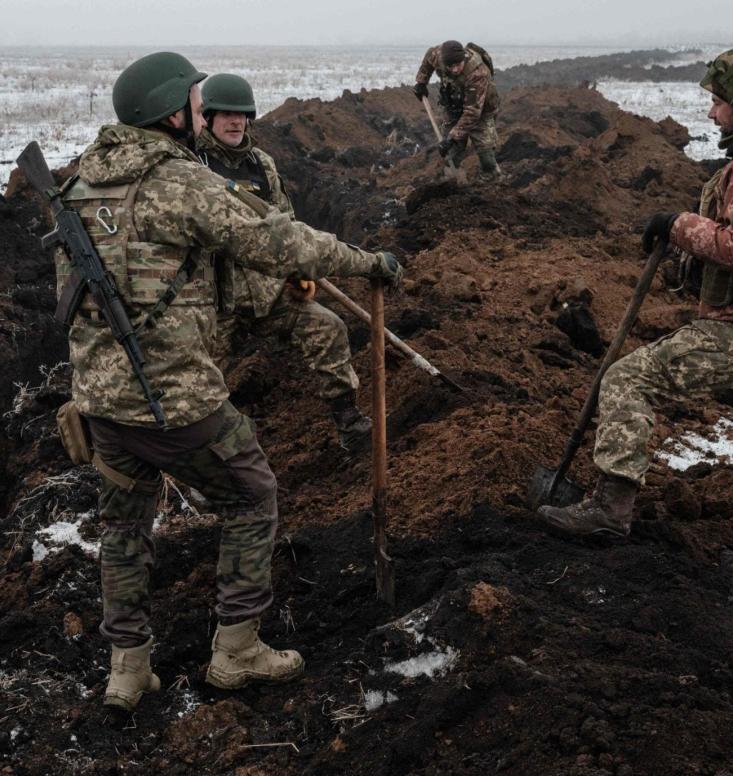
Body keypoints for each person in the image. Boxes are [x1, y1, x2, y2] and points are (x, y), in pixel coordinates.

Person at [57, 51, 402, 711]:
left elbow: (71, 304)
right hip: (174, 401)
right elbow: (283, 244)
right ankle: (237, 649)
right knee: (251, 497)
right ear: (170, 111)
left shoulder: (79, 186)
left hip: (100, 404)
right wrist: (365, 262)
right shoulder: (178, 183)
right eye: (194, 100)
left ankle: (127, 669)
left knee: (123, 528)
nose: (202, 109)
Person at [536, 46, 733, 592]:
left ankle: (610, 507)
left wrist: (678, 225)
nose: (711, 113)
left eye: (719, 103)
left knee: (628, 379)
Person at [196, 72, 372, 449]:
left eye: (242, 114)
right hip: (217, 304)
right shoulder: (192, 167)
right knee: (201, 384)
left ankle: (348, 421)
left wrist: (298, 274)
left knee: (330, 330)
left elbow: (287, 225)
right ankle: (200, 460)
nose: (235, 122)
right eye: (225, 114)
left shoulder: (262, 164)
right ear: (208, 117)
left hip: (270, 293)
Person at [414, 40, 503, 182]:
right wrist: (421, 81)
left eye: (458, 65)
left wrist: (452, 137)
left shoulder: (477, 73)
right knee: (451, 153)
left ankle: (490, 184)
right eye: (451, 66)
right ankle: (451, 182)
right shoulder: (438, 56)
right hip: (454, 106)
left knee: (487, 157)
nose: (455, 69)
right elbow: (428, 58)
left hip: (480, 110)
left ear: (463, 59)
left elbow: (473, 113)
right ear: (444, 63)